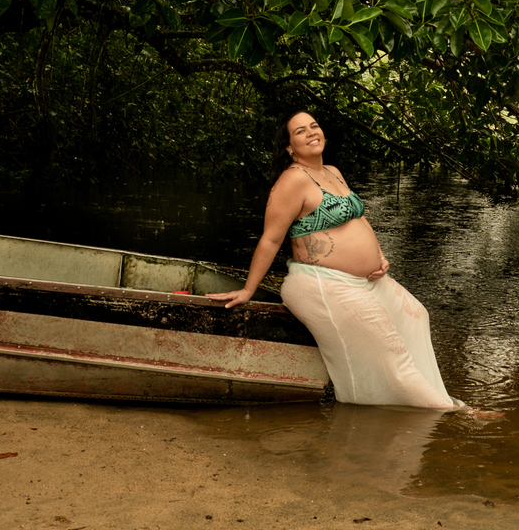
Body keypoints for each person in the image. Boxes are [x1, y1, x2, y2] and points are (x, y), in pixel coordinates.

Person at [208, 111, 488, 413]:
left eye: (314, 126)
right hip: (321, 282)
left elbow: (359, 218)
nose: (311, 132)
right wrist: (249, 289)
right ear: (289, 146)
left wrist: (379, 255)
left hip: (364, 280)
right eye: (300, 131)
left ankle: (433, 395)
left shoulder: (332, 172)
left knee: (417, 316)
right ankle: (449, 412)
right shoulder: (292, 181)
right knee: (390, 347)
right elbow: (271, 240)